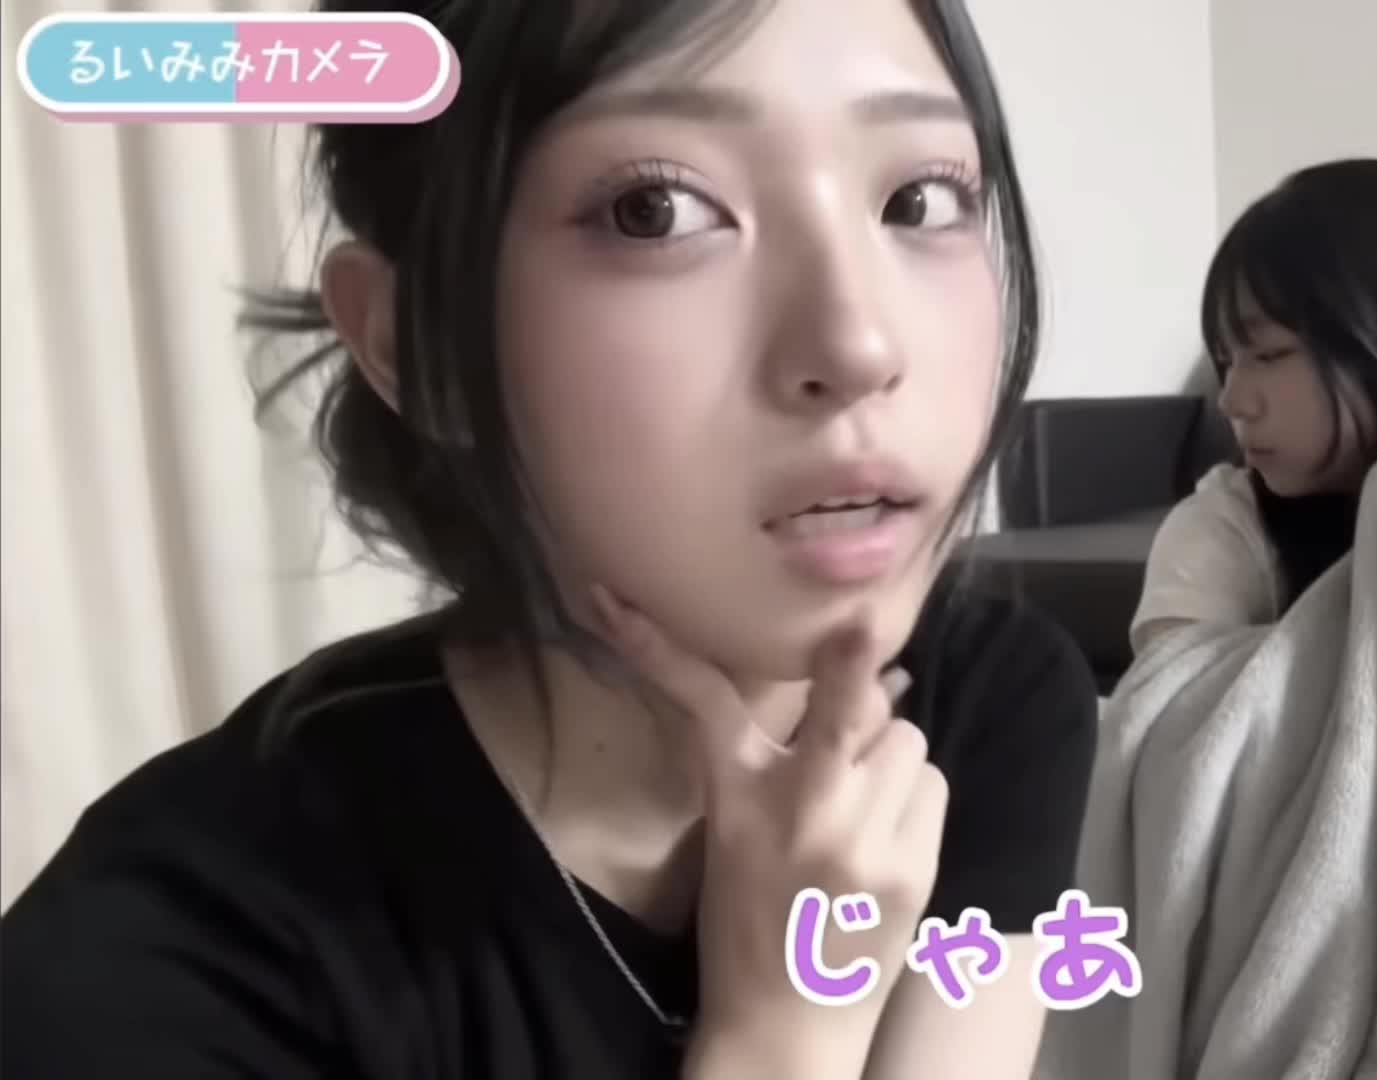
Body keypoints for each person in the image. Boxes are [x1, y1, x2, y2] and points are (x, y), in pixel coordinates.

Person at [0, 1, 1099, 1076]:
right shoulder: (165, 970)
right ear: (420, 344)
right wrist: (781, 1029)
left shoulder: (984, 703)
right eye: (655, 211)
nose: (859, 344)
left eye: (919, 198)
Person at [1131, 158, 1377, 652]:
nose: (1231, 401)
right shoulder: (1228, 524)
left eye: (1269, 354)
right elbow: (1173, 691)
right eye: (1225, 361)